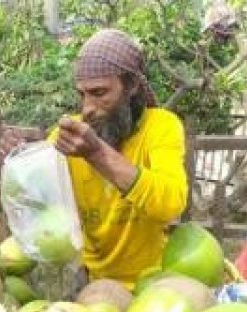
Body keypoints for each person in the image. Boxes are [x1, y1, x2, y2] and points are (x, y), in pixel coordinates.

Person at [46, 29, 188, 290]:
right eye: (83, 95)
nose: (87, 108)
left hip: (152, 284)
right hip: (91, 283)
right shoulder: (69, 137)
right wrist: (22, 161)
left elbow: (171, 204)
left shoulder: (161, 127)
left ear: (132, 86)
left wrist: (96, 154)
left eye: (99, 93)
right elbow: (41, 205)